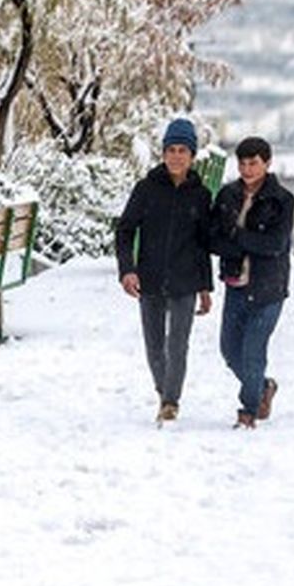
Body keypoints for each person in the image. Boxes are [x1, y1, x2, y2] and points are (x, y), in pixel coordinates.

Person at [115, 118, 213, 424]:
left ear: (192, 155)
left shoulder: (200, 194)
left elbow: (203, 244)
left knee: (178, 343)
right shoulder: (146, 189)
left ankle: (171, 401)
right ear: (163, 153)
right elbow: (125, 231)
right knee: (155, 345)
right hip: (150, 279)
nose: (176, 156)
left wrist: (205, 287)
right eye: (171, 149)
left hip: (185, 281)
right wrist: (127, 270)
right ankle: (164, 389)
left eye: (183, 150)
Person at [210, 136, 294, 430]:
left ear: (267, 163)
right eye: (243, 163)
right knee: (229, 350)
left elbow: (275, 243)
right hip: (235, 283)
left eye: (253, 163)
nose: (247, 169)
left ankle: (248, 410)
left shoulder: (281, 200)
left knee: (252, 350)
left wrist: (237, 237)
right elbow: (212, 236)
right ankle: (264, 387)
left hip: (268, 287)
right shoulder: (227, 195)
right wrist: (234, 245)